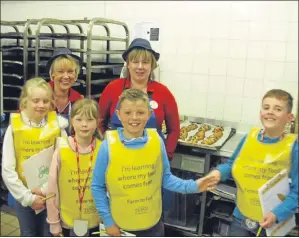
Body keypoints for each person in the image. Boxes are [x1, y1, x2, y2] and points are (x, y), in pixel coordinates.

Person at [91, 88, 217, 237]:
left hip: (152, 224)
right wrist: (108, 222)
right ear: (118, 115)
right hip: (120, 225)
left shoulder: (156, 141)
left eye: (140, 112)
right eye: (128, 112)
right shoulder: (108, 146)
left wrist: (194, 186)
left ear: (150, 114)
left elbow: (165, 178)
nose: (134, 117)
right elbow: (97, 186)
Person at [205, 89, 298, 236]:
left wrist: (276, 214)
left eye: (278, 109)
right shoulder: (249, 138)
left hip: (274, 223)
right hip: (241, 218)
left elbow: (296, 192)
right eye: (266, 107)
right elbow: (231, 165)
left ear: (289, 117)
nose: (270, 112)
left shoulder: (293, 148)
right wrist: (218, 172)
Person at [1, 77, 68, 236]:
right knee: (28, 233)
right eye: (36, 100)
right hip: (24, 196)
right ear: (24, 102)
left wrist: (45, 190)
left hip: (51, 194)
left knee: (49, 233)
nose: (41, 105)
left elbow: (65, 161)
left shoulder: (58, 126)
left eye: (45, 101)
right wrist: (28, 198)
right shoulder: (14, 129)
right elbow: (7, 169)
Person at [98, 38, 180, 160]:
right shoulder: (113, 88)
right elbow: (99, 121)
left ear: (152, 65)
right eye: (135, 61)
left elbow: (174, 130)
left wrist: (166, 156)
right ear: (128, 64)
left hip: (152, 158)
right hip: (116, 156)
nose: (140, 67)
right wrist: (104, 146)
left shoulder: (163, 92)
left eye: (145, 62)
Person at [46, 99, 103, 237]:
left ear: (97, 122)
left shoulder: (104, 149)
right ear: (71, 121)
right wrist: (54, 222)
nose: (84, 124)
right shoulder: (62, 149)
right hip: (67, 219)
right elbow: (52, 188)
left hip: (98, 221)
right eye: (79, 119)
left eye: (90, 119)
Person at [47, 48, 84, 120]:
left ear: (76, 75)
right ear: (52, 74)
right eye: (61, 71)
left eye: (70, 71)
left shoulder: (78, 100)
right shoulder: (38, 95)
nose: (66, 76)